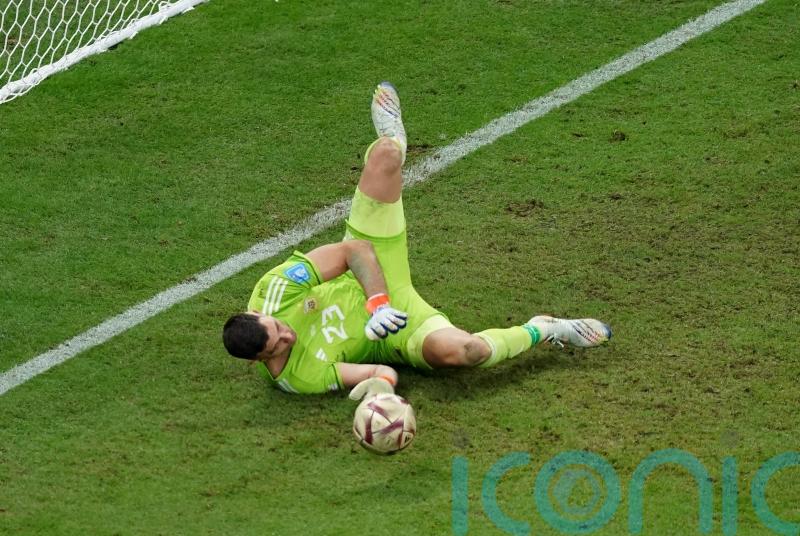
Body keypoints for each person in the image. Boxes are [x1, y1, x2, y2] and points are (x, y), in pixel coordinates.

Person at [222, 82, 611, 398]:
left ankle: (394, 136)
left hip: (370, 270)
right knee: (467, 352)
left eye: (278, 326)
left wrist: (377, 304)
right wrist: (379, 394)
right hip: (396, 333)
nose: (287, 333)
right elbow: (381, 372)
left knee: (386, 157)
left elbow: (355, 250)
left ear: (260, 314)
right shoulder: (297, 377)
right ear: (260, 360)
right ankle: (548, 328)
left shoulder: (274, 290)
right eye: (278, 343)